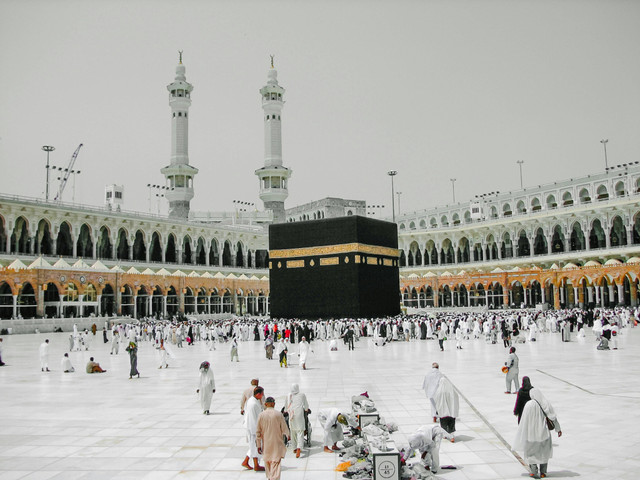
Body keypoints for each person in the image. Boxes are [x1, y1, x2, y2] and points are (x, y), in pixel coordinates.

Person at [512, 381, 563, 479]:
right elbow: (552, 417)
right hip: (543, 433)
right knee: (543, 452)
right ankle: (543, 472)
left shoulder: (528, 405)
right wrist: (558, 429)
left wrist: (522, 433)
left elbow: (524, 421)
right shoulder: (545, 404)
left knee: (531, 453)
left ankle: (533, 471)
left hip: (531, 434)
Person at [256, 396, 290, 480]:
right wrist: (288, 435)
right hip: (276, 443)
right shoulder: (278, 414)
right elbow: (284, 428)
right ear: (273, 404)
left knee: (267, 461)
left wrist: (258, 445)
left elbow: (258, 432)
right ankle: (273, 478)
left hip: (266, 444)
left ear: (266, 404)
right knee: (276, 462)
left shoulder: (261, 415)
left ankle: (269, 477)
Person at [242, 387, 266, 471]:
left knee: (253, 446)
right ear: (258, 394)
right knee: (255, 446)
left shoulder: (253, 400)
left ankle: (246, 461)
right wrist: (257, 431)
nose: (263, 396)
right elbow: (253, 418)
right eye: (262, 394)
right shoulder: (253, 404)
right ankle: (256, 465)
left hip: (253, 427)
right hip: (253, 428)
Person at [286, 383, 310, 458]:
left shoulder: (288, 395)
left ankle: (294, 448)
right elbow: (306, 405)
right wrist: (306, 409)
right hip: (299, 414)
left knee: (292, 431)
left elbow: (286, 406)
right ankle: (299, 447)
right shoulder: (302, 395)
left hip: (291, 414)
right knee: (300, 431)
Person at [433, 376, 459, 440]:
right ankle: (452, 436)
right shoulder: (452, 391)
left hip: (443, 411)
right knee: (451, 423)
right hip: (451, 411)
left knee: (443, 424)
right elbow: (456, 399)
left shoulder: (439, 392)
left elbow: (436, 401)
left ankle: (445, 435)